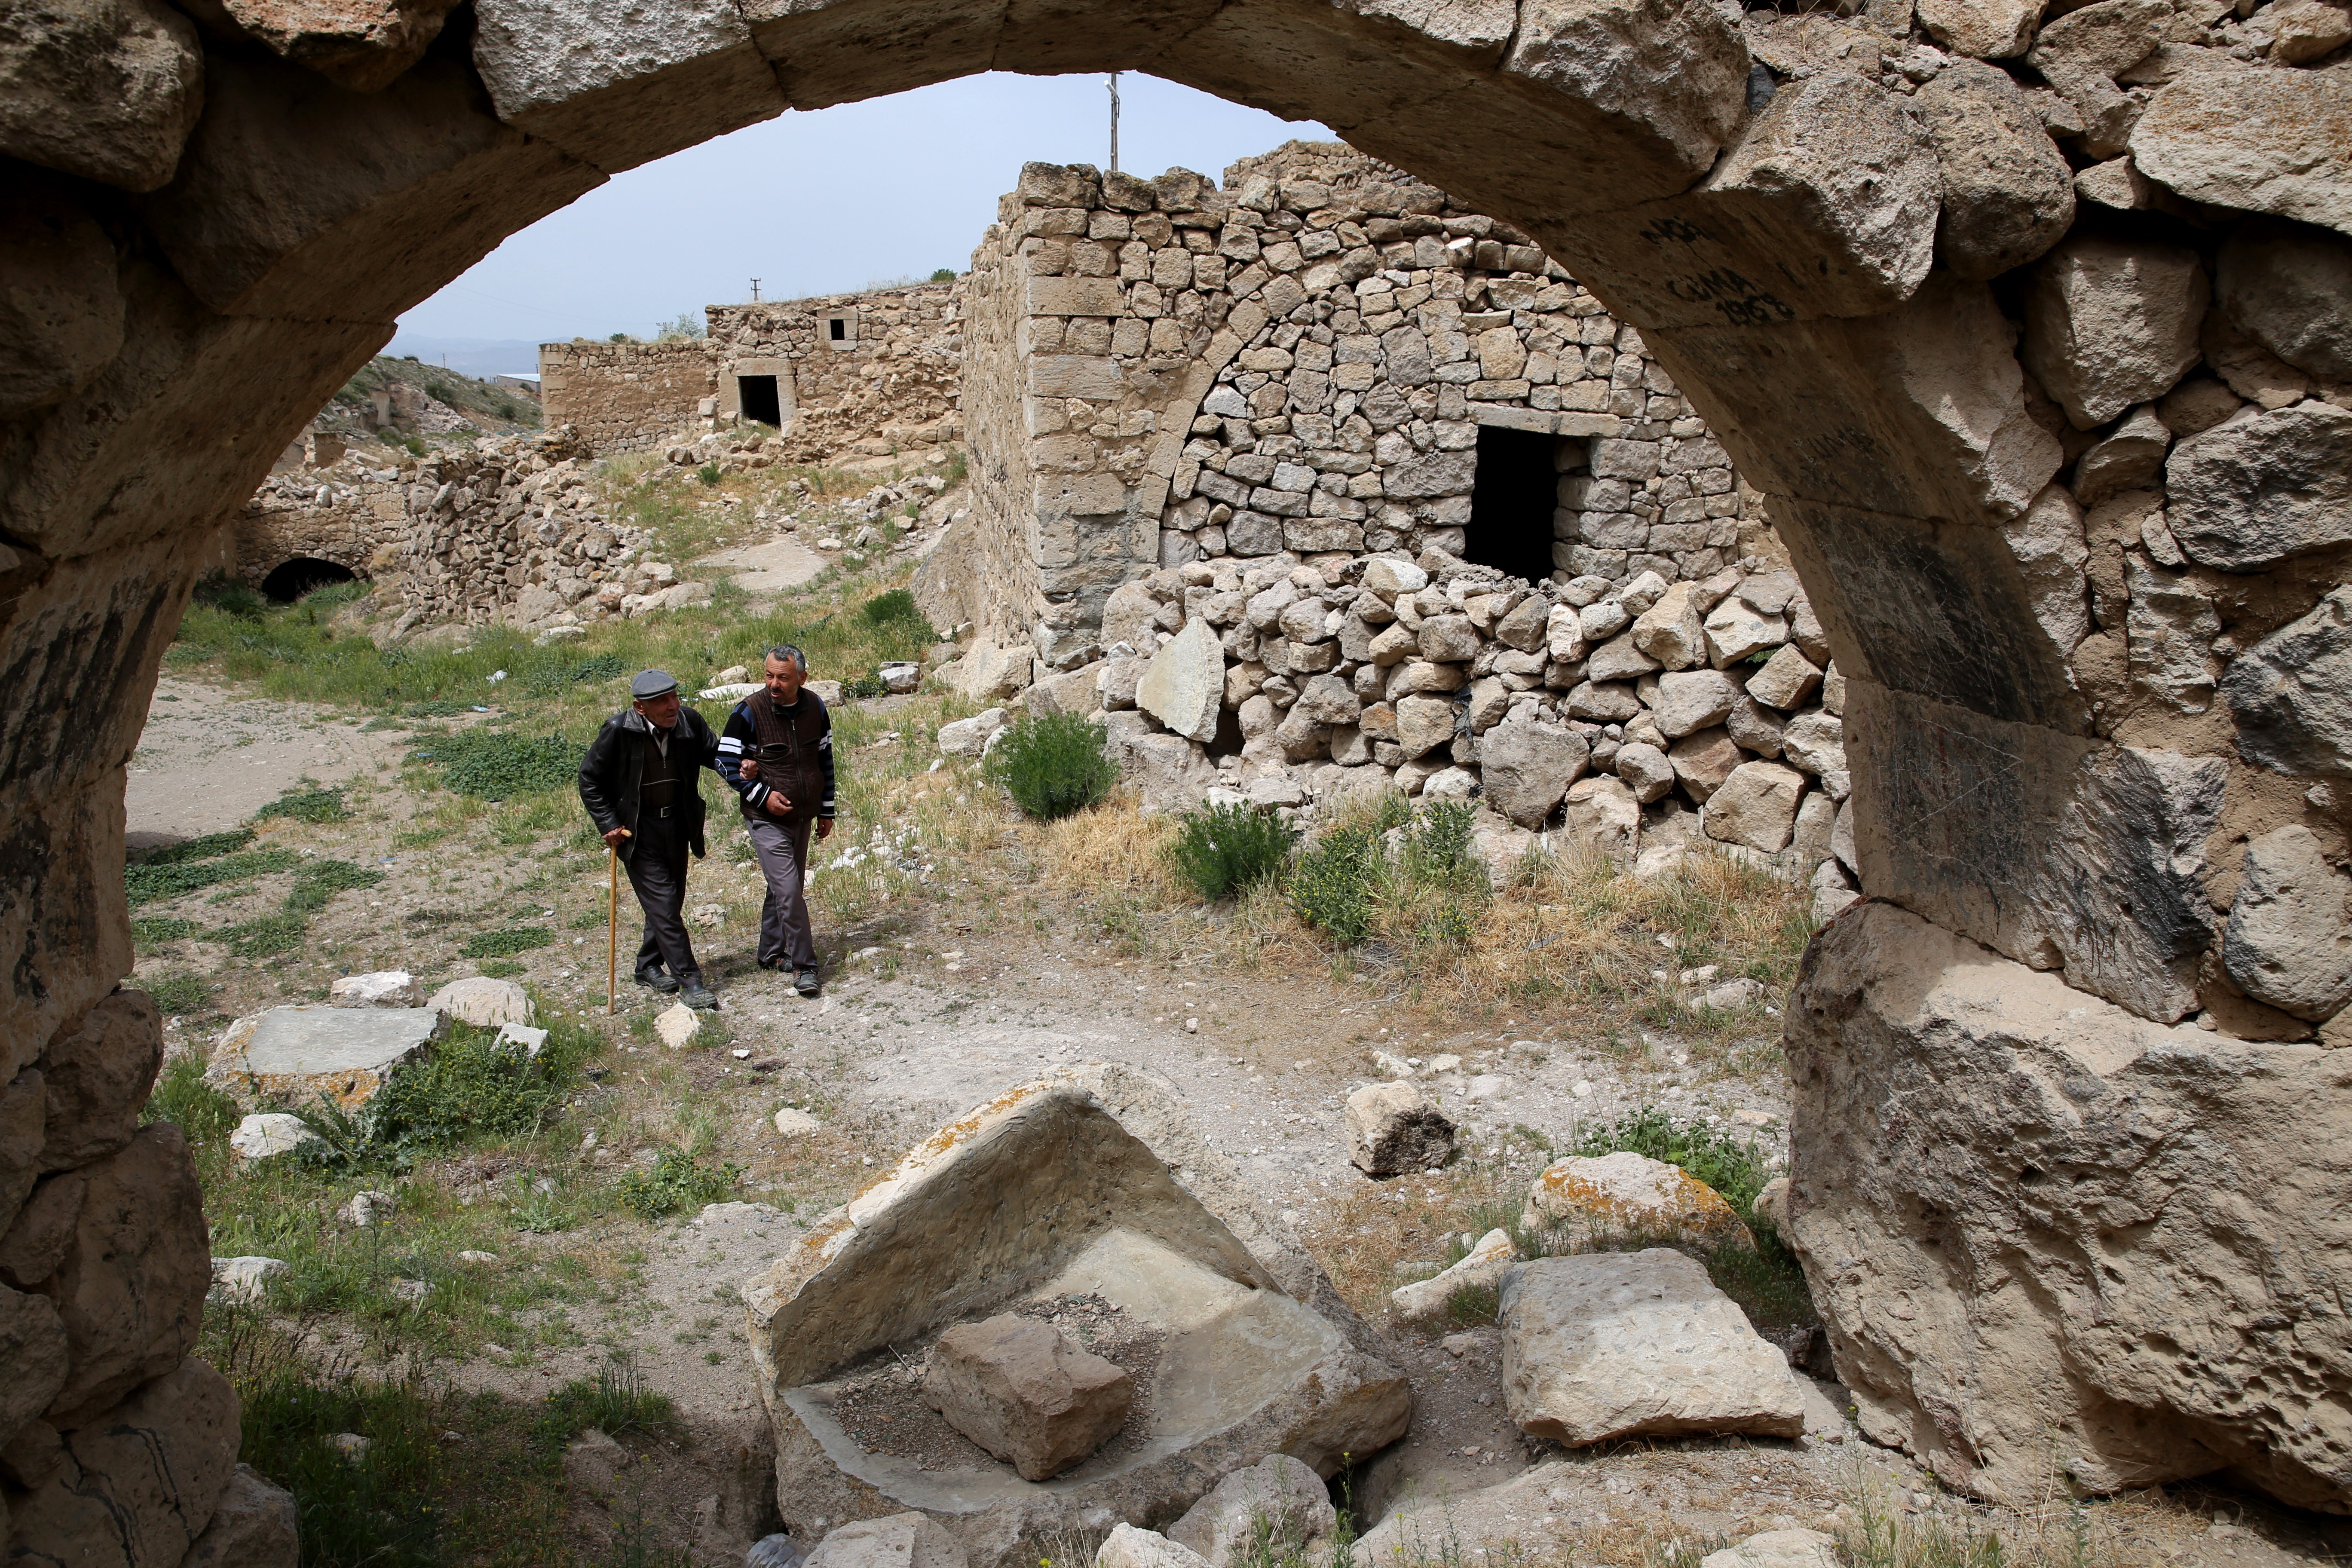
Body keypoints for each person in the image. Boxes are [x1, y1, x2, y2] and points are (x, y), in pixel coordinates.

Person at [579, 669, 726, 1009]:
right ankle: (690, 981)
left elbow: (714, 754)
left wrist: (742, 767)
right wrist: (608, 822)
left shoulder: (689, 723)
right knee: (663, 905)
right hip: (637, 831)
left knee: (670, 902)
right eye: (662, 701)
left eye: (674, 696)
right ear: (640, 708)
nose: (672, 705)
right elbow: (589, 778)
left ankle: (647, 965)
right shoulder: (618, 731)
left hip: (677, 824)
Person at [718, 644, 835, 997]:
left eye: (782, 678)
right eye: (768, 675)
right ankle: (806, 966)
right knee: (788, 889)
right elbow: (724, 761)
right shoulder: (748, 712)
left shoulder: (816, 706)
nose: (773, 684)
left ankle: (771, 953)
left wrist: (826, 810)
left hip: (803, 815)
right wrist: (761, 795)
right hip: (765, 820)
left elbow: (825, 759)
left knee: (783, 886)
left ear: (802, 678)